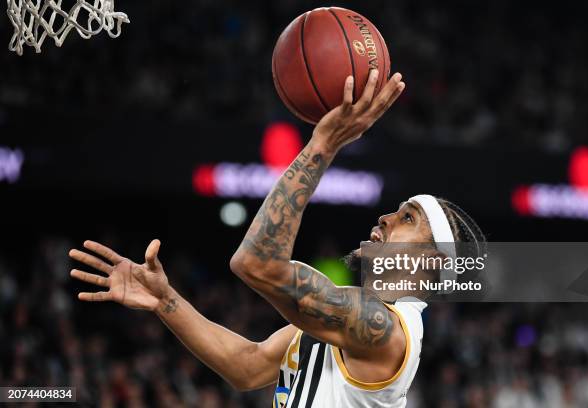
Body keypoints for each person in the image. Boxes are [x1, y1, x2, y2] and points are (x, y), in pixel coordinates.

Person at [69, 70, 485, 407]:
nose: (386, 216)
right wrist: (166, 302)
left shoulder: (384, 330)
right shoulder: (344, 317)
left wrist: (322, 145)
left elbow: (256, 264)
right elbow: (246, 367)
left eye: (408, 217)